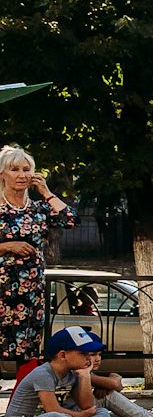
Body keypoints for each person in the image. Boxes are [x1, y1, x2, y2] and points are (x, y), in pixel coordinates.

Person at [0, 146, 75, 377]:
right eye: (14, 169)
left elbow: (71, 219)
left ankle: (23, 398)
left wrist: (46, 192)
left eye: (26, 169)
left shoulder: (38, 209)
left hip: (30, 294)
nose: (22, 175)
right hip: (1, 291)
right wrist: (6, 246)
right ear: (2, 174)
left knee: (27, 352)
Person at [4, 327, 133, 417]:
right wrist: (81, 416)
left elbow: (87, 406)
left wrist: (85, 375)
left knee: (103, 414)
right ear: (62, 355)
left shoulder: (72, 373)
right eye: (83, 354)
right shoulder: (43, 374)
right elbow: (52, 409)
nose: (89, 358)